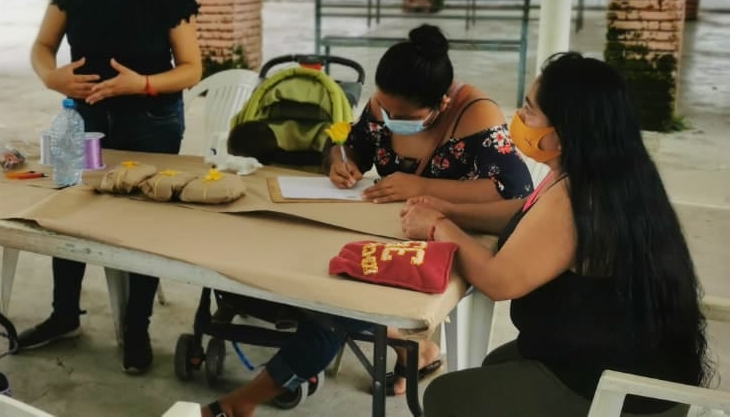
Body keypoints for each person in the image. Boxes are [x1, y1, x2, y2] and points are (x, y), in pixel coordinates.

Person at [202, 25, 534, 415]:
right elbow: (352, 150)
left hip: (445, 238)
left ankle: (243, 402)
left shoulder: (474, 113)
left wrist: (420, 186)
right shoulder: (382, 105)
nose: (388, 117)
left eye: (404, 115)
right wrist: (340, 166)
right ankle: (414, 346)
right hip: (381, 226)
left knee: (334, 304)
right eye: (383, 107)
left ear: (442, 102)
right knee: (312, 275)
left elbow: (514, 192)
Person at [399, 52, 710, 416]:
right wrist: (447, 209)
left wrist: (438, 227)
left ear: (563, 132)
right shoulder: (605, 169)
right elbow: (523, 214)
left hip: (619, 391)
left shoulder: (578, 198)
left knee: (446, 396)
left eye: (530, 110)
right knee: (497, 363)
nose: (519, 117)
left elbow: (499, 281)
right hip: (623, 360)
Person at [21, 0, 203, 374]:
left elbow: (190, 68)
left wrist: (140, 84)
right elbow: (42, 45)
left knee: (140, 224)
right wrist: (50, 75)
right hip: (84, 119)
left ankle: (136, 325)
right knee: (69, 211)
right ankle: (64, 314)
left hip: (152, 122)